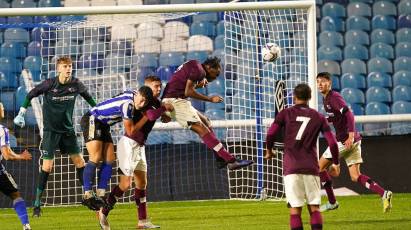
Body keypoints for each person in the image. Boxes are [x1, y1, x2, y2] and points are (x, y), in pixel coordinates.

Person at [13, 56, 96, 217]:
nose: (68, 69)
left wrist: (100, 111)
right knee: (47, 167)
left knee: (80, 162)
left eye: (70, 66)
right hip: (51, 132)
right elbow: (31, 94)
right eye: (65, 66)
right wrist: (22, 112)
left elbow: (90, 100)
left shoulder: (76, 84)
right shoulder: (50, 84)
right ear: (58, 69)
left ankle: (88, 195)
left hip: (68, 131)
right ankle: (37, 204)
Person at [98, 76, 173, 230]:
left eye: (160, 86)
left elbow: (164, 118)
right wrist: (164, 108)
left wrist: (164, 113)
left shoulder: (155, 103)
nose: (158, 89)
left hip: (140, 146)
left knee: (142, 183)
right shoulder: (142, 101)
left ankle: (143, 221)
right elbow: (151, 115)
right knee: (125, 185)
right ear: (146, 87)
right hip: (128, 144)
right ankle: (103, 211)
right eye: (155, 86)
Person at [264, 83, 340, 230]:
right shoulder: (318, 117)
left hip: (291, 167)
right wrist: (335, 163)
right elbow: (333, 142)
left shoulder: (285, 113)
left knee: (295, 210)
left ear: (294, 97)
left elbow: (271, 134)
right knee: (314, 208)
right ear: (310, 97)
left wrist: (269, 150)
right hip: (311, 167)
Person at [316, 72, 393, 213]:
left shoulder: (334, 97)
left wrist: (350, 136)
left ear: (330, 83)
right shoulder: (326, 100)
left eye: (323, 81)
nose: (320, 84)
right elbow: (336, 118)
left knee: (319, 167)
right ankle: (384, 193)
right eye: (318, 81)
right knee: (355, 176)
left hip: (345, 141)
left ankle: (332, 202)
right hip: (354, 141)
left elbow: (349, 115)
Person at [161, 56, 253, 170]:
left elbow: (180, 85)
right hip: (175, 101)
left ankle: (219, 159)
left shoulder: (194, 65)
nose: (215, 77)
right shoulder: (199, 70)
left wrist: (198, 85)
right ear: (209, 67)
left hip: (175, 100)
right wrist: (210, 99)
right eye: (216, 73)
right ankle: (231, 160)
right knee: (201, 128)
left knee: (206, 121)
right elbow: (188, 91)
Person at [80, 85, 155, 211]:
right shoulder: (128, 104)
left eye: (145, 102)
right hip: (93, 118)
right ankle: (87, 194)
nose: (141, 104)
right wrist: (146, 117)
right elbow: (130, 131)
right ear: (137, 95)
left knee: (110, 158)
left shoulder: (135, 97)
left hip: (104, 125)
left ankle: (101, 194)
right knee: (96, 156)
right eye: (141, 100)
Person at [0, 102, 33, 230]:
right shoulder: (2, 130)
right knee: (15, 195)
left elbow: (7, 152)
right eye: (1, 107)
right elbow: (7, 155)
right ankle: (26, 226)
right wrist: (21, 156)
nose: (3, 109)